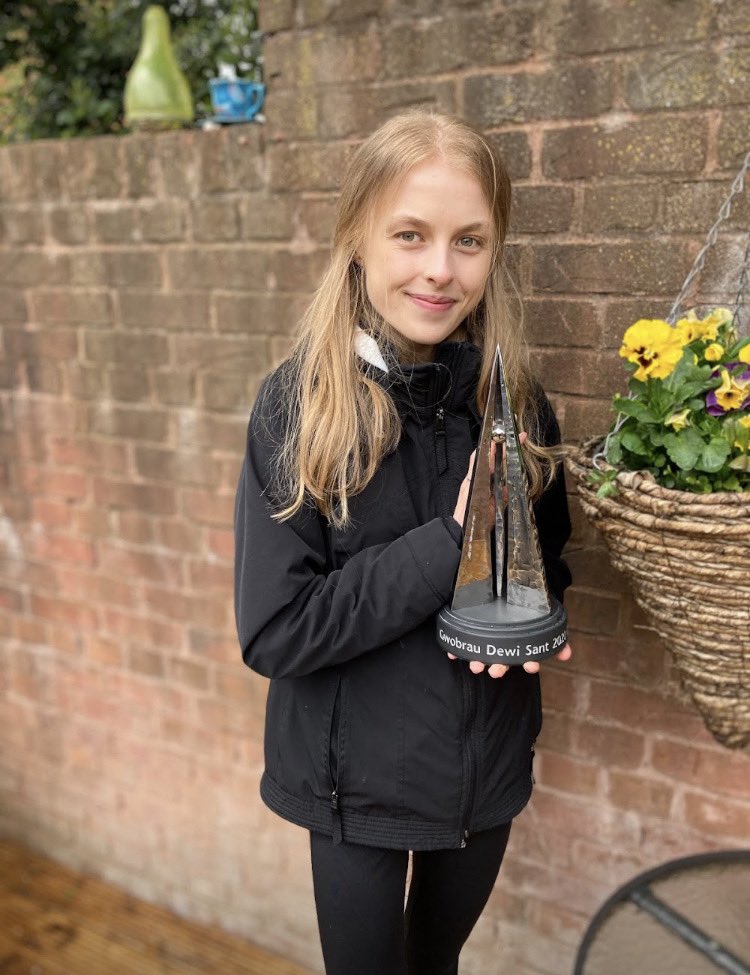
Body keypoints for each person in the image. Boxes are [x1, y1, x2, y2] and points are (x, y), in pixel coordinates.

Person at [234, 110, 573, 975]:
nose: (439, 269)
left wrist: (532, 614)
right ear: (357, 238)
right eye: (410, 235)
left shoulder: (518, 407)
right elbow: (278, 630)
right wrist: (454, 542)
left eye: (469, 240)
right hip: (357, 795)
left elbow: (550, 556)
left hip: (482, 776)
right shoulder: (299, 408)